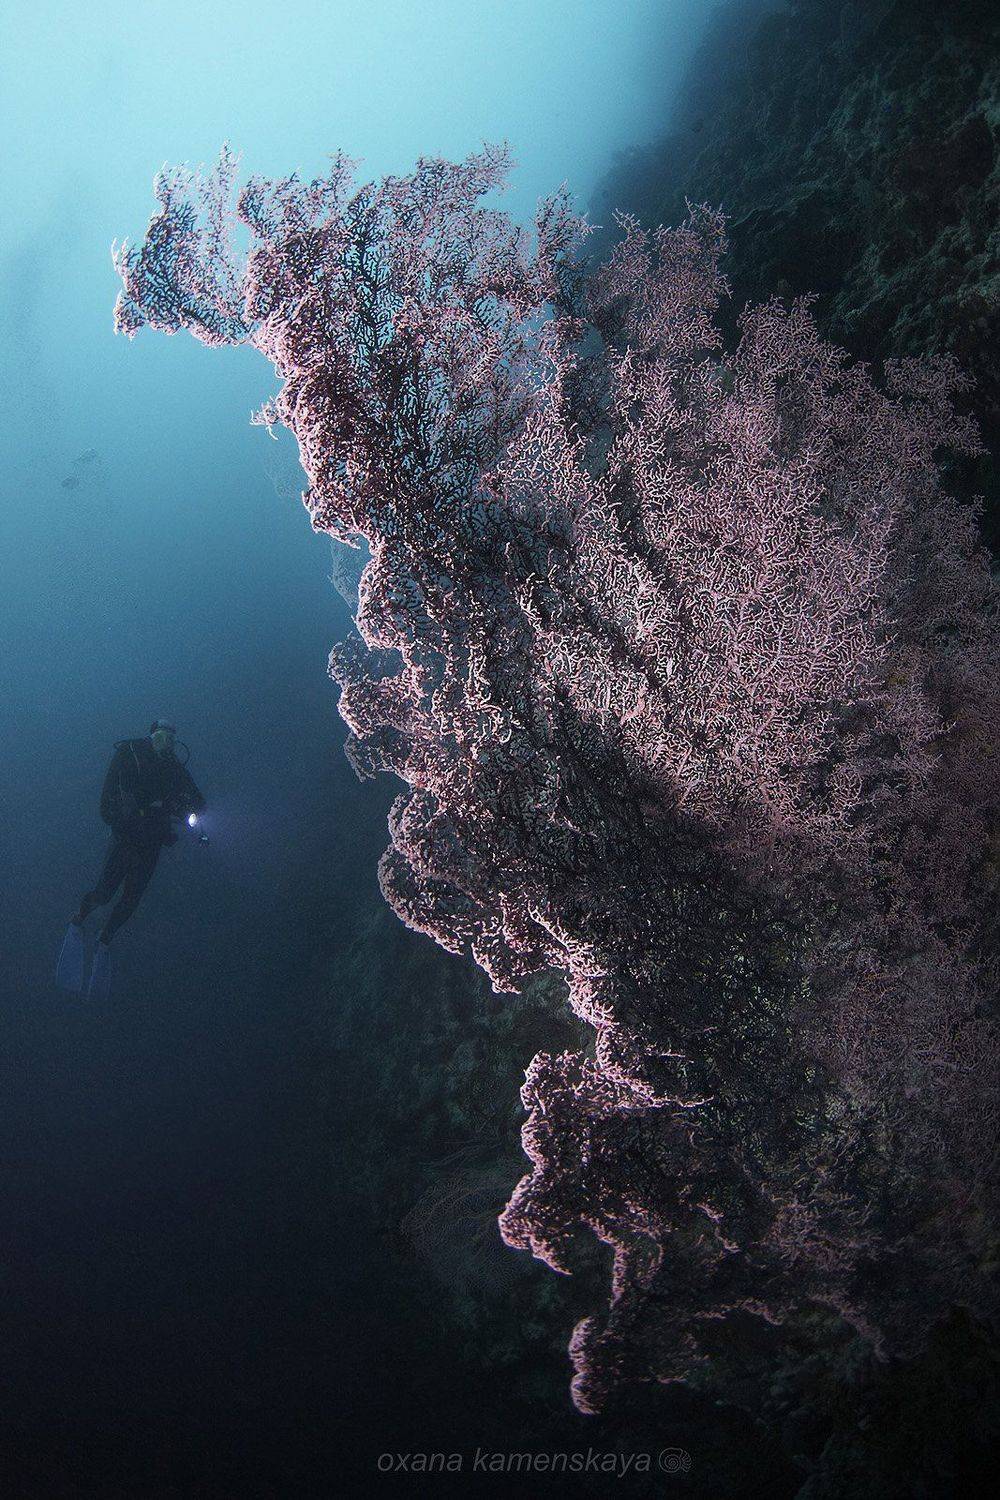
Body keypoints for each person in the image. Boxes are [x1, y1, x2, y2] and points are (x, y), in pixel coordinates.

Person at [56, 720, 206, 998]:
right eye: (161, 737)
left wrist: (182, 807)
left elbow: (198, 800)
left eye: (170, 739)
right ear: (151, 737)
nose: (166, 743)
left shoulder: (173, 766)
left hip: (152, 841)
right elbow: (106, 801)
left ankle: (105, 937)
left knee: (131, 899)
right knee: (104, 892)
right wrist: (122, 822)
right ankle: (79, 918)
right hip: (126, 837)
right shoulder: (130, 755)